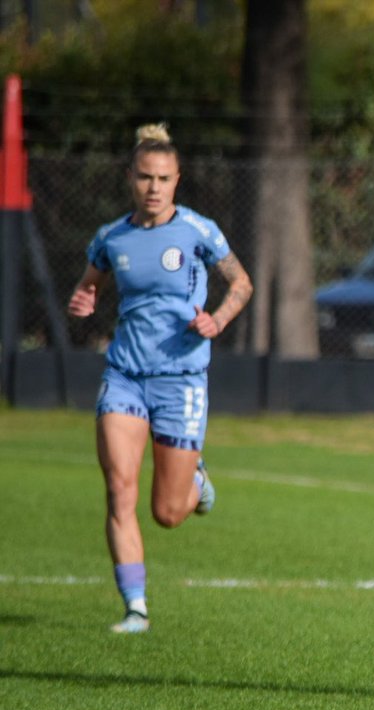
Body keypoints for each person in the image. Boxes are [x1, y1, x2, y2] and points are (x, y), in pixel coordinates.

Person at [66, 123, 253, 634]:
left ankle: (195, 479)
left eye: (164, 178)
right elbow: (89, 286)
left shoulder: (198, 231)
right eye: (145, 177)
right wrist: (85, 300)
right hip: (125, 374)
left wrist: (218, 319)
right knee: (118, 487)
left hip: (181, 379)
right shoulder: (111, 238)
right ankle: (135, 607)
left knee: (168, 513)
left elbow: (241, 283)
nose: (154, 187)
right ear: (130, 177)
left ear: (177, 180)